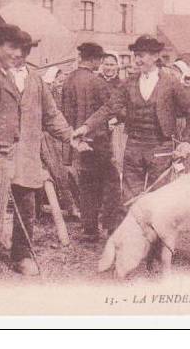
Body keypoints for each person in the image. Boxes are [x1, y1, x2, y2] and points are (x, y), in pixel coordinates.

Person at [0, 25, 77, 275]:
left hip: (26, 156)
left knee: (26, 210)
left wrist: (70, 136)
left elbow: (51, 114)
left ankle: (21, 255)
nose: (19, 54)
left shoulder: (34, 78)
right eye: (12, 47)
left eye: (24, 49)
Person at [73, 35, 190, 204]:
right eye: (136, 55)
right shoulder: (129, 83)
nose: (137, 60)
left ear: (155, 57)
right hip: (134, 147)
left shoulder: (171, 83)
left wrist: (187, 142)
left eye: (142, 55)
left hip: (161, 147)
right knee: (130, 200)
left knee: (159, 200)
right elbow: (109, 107)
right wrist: (86, 127)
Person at [62, 43, 121, 239]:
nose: (101, 64)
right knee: (111, 182)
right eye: (100, 60)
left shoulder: (68, 80)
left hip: (77, 141)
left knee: (87, 184)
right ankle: (111, 226)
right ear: (94, 60)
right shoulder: (98, 83)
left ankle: (89, 228)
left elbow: (64, 112)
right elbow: (111, 109)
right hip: (99, 141)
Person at [40, 67, 80, 220]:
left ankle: (71, 206)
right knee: (51, 172)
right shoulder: (48, 94)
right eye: (59, 81)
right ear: (52, 82)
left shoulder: (63, 94)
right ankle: (42, 207)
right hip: (45, 136)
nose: (60, 84)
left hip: (56, 137)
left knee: (61, 173)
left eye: (63, 81)